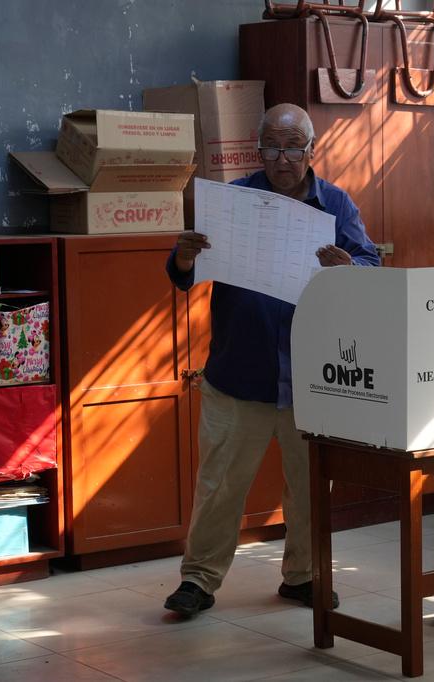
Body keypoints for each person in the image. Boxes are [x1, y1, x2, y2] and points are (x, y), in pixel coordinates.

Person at [163, 103, 380, 616]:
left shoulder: (336, 205)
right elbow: (185, 272)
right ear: (258, 150)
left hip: (312, 374)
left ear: (312, 151)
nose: (283, 159)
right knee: (220, 486)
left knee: (309, 485)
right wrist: (186, 257)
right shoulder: (235, 199)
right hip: (241, 370)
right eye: (272, 148)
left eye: (293, 148)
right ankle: (198, 581)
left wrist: (349, 266)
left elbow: (372, 262)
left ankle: (303, 576)